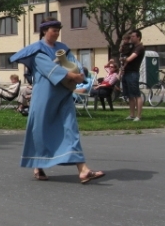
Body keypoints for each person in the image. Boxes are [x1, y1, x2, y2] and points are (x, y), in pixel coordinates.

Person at [10, 18, 104, 184]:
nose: (57, 32)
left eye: (58, 29)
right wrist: (71, 75)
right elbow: (49, 68)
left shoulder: (63, 48)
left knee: (70, 128)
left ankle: (83, 170)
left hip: (64, 95)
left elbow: (74, 63)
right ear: (45, 31)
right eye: (54, 29)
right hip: (44, 97)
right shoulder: (37, 51)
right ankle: (38, 166)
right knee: (41, 131)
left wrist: (81, 73)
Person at [122, 30, 145, 121]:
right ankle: (132, 114)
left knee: (136, 94)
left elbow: (129, 59)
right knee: (130, 95)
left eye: (133, 36)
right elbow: (123, 54)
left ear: (138, 37)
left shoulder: (139, 48)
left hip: (133, 73)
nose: (131, 38)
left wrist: (124, 59)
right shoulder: (131, 47)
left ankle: (138, 116)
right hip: (126, 72)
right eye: (130, 36)